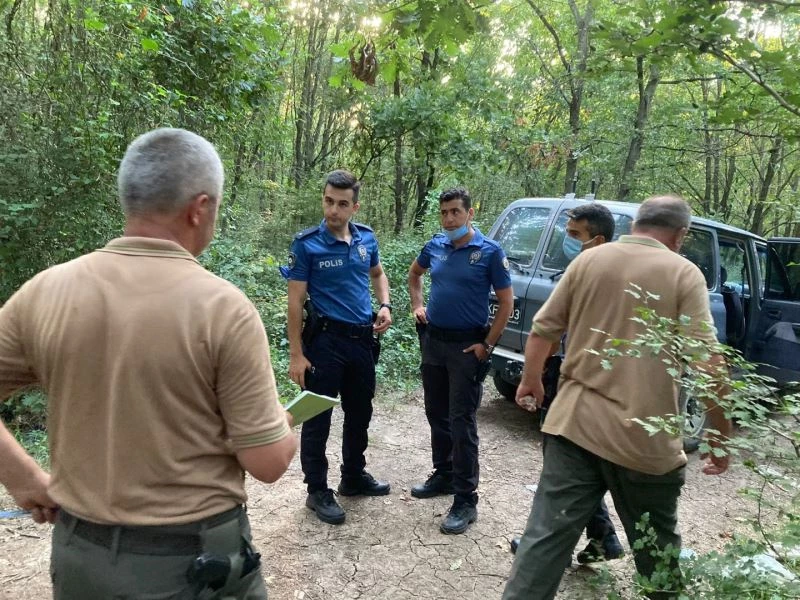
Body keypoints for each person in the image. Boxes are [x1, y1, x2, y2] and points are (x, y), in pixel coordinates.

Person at [0, 128, 298, 599]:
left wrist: (22, 477)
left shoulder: (44, 292)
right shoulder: (222, 308)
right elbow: (267, 462)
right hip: (192, 567)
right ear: (199, 208)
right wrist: (281, 423)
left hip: (81, 560)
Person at [503, 195, 732, 600]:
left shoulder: (589, 260)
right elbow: (709, 362)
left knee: (543, 543)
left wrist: (531, 380)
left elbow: (543, 329)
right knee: (658, 559)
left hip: (574, 428)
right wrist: (720, 434)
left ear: (635, 224)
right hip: (644, 445)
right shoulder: (684, 273)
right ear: (681, 234)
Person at [510, 203, 624, 564]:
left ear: (598, 240)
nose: (568, 240)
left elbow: (546, 330)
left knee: (562, 462)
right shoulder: (589, 273)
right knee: (572, 462)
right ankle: (603, 537)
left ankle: (547, 544)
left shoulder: (600, 278)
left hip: (582, 382)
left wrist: (533, 378)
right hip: (571, 375)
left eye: (575, 235)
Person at [286, 169, 393, 526]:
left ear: (354, 207)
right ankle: (317, 489)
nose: (333, 210)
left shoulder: (366, 239)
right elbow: (295, 302)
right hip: (325, 342)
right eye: (329, 201)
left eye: (342, 204)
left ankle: (353, 476)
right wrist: (297, 354)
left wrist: (385, 304)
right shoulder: (307, 244)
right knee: (318, 416)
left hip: (362, 340)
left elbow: (378, 274)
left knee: (360, 412)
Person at [408, 187, 513, 534]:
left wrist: (487, 344)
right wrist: (417, 305)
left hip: (467, 348)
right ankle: (444, 474)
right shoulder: (435, 246)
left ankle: (466, 499)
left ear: (470, 213)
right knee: (435, 412)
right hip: (434, 342)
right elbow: (414, 274)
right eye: (444, 213)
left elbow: (506, 303)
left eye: (455, 211)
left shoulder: (489, 252)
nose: (449, 219)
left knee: (461, 421)